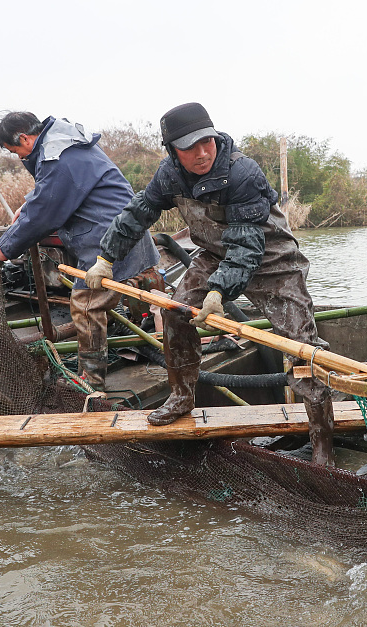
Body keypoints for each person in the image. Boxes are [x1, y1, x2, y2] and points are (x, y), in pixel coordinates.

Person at [86, 102, 338, 466]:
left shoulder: (242, 173)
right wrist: (105, 258)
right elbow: (138, 213)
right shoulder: (168, 176)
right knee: (175, 312)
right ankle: (182, 397)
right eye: (190, 147)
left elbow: (247, 246)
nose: (203, 153)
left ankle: (322, 446)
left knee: (301, 347)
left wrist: (219, 291)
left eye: (207, 142)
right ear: (173, 150)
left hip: (272, 261)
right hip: (215, 254)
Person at [0, 112, 161, 393]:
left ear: (24, 138)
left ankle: (91, 383)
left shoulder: (58, 157)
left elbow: (43, 213)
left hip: (107, 237)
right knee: (100, 299)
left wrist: (4, 248)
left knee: (85, 305)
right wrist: (29, 202)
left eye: (15, 151)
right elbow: (51, 191)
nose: (19, 157)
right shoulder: (65, 144)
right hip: (120, 229)